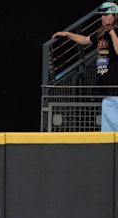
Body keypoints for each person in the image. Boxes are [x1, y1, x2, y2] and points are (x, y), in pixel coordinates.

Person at [52, 2, 118, 131]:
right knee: (108, 132)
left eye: (106, 14)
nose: (102, 18)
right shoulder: (101, 32)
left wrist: (112, 33)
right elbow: (85, 40)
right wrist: (67, 34)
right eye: (101, 15)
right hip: (106, 88)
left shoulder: (115, 32)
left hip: (116, 86)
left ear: (115, 16)